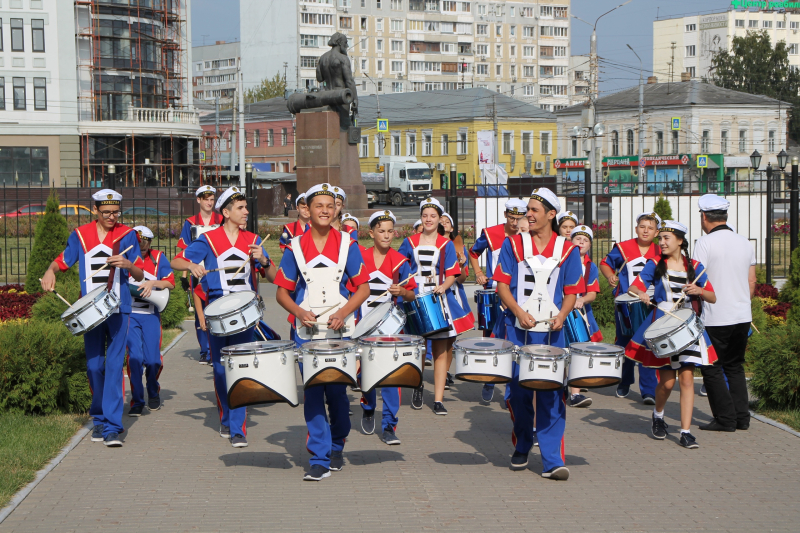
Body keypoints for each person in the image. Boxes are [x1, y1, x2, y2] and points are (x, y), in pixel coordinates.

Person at [274, 183, 370, 481]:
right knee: (314, 394)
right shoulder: (294, 246)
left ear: (336, 209)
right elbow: (281, 293)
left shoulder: (348, 244)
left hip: (341, 333)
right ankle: (319, 457)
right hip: (306, 334)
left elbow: (363, 287)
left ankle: (338, 442)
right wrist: (298, 312)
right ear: (307, 209)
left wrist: (343, 313)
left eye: (330, 205)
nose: (325, 210)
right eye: (319, 205)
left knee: (339, 395)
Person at [171, 186, 277, 449]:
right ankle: (226, 416)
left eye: (245, 207)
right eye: (240, 208)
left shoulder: (252, 239)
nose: (246, 212)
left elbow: (275, 278)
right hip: (217, 309)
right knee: (220, 369)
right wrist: (192, 265)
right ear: (226, 212)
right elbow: (175, 261)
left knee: (239, 367)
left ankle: (238, 427)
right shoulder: (208, 240)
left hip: (244, 312)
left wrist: (263, 260)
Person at [41, 189, 144, 447]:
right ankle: (98, 417)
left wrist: (128, 265)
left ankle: (111, 426)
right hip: (91, 313)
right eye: (106, 212)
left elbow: (141, 274)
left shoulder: (127, 235)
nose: (112, 217)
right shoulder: (80, 235)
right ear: (95, 210)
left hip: (119, 309)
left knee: (113, 366)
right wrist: (50, 271)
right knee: (94, 366)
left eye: (116, 212)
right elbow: (62, 261)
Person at [494, 187, 583, 480]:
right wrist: (519, 312)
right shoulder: (514, 244)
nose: (528, 215)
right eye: (527, 210)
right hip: (519, 330)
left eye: (534, 210)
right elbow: (502, 286)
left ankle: (552, 460)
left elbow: (572, 291)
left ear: (551, 215)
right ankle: (522, 445)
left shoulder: (568, 249)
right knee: (519, 393)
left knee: (551, 394)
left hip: (552, 334)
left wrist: (562, 315)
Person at [626, 220, 717, 449]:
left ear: (680, 241)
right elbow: (633, 287)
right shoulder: (655, 263)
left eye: (667, 238)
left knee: (687, 379)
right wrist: (642, 294)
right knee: (667, 383)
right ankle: (658, 415)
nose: (662, 242)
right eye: (661, 238)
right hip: (664, 327)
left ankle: (686, 432)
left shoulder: (695, 266)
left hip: (687, 328)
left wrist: (699, 291)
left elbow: (713, 296)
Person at [399, 197, 474, 415]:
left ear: (439, 219)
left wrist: (443, 286)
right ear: (420, 218)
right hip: (415, 299)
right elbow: (401, 267)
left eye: (433, 216)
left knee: (441, 350)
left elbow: (453, 272)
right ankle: (418, 386)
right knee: (419, 348)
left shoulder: (446, 243)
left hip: (438, 299)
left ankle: (439, 399)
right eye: (425, 216)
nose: (428, 220)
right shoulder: (410, 242)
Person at [693, 194, 756, 432]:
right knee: (735, 366)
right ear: (725, 216)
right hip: (742, 315)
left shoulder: (705, 243)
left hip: (715, 316)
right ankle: (742, 418)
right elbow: (752, 282)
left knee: (711, 368)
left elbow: (697, 277)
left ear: (705, 216)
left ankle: (725, 419)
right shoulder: (744, 242)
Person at [355, 210, 417, 444]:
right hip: (362, 322)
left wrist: (402, 291)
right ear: (371, 233)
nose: (387, 235)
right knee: (365, 371)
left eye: (390, 231)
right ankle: (369, 406)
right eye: (381, 231)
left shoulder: (400, 261)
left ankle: (390, 424)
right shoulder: (360, 256)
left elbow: (412, 293)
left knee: (391, 375)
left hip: (391, 326)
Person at [468, 199, 527, 403]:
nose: (515, 223)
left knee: (516, 341)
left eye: (519, 218)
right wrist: (478, 272)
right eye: (512, 218)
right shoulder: (491, 233)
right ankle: (489, 380)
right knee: (492, 339)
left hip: (519, 294)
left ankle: (512, 392)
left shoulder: (526, 235)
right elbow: (474, 252)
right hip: (494, 291)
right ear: (505, 215)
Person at [599, 212, 662, 404]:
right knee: (625, 343)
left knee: (649, 343)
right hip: (626, 305)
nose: (645, 230)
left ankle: (649, 390)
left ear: (657, 232)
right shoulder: (624, 247)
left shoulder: (660, 251)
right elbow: (605, 263)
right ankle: (624, 381)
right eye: (642, 226)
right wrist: (610, 275)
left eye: (650, 228)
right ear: (636, 228)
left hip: (651, 305)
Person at [126, 226, 175, 416]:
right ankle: (137, 400)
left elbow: (170, 282)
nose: (143, 246)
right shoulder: (127, 258)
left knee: (153, 360)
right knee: (135, 358)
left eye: (147, 242)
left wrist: (152, 283)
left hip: (151, 315)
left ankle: (153, 390)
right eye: (139, 242)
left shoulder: (158, 258)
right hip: (130, 315)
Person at [176, 185, 224, 365]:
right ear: (198, 200)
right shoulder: (190, 222)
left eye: (212, 200)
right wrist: (183, 275)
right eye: (206, 200)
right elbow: (184, 250)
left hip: (216, 268)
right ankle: (205, 349)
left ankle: (216, 348)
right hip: (196, 270)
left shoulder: (221, 219)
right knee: (200, 313)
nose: (210, 203)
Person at [564, 225, 603, 408]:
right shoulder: (561, 260)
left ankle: (575, 393)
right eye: (578, 238)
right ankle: (562, 385)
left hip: (579, 313)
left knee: (578, 350)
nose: (581, 242)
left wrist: (581, 300)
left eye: (586, 240)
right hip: (561, 310)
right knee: (561, 350)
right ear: (570, 241)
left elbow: (592, 293)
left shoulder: (590, 266)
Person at [441, 212, 472, 391]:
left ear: (452, 228)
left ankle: (444, 372)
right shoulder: (434, 245)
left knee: (450, 338)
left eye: (447, 222)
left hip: (453, 294)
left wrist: (460, 266)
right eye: (441, 222)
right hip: (436, 293)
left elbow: (461, 279)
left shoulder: (458, 246)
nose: (444, 224)